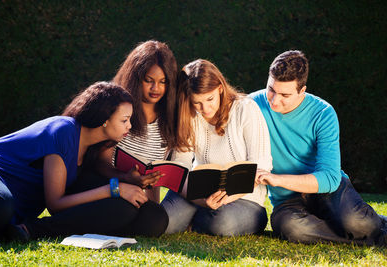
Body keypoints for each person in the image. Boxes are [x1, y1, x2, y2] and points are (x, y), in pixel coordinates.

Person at [0, 81, 168, 241]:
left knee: (152, 217)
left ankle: (17, 230)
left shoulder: (95, 146)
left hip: (17, 204)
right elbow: (55, 204)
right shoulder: (63, 132)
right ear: (104, 120)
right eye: (125, 120)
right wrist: (114, 189)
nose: (129, 125)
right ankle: (30, 230)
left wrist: (128, 180)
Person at [250, 50, 386, 246]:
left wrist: (277, 179)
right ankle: (373, 237)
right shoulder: (251, 105)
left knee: (358, 223)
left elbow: (330, 179)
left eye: (285, 94)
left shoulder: (323, 112)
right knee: (293, 229)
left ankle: (371, 227)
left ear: (302, 90)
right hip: (288, 203)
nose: (274, 100)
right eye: (271, 89)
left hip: (327, 192)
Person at [161, 59, 273, 236]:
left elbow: (261, 166)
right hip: (198, 194)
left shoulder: (245, 109)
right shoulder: (188, 116)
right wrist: (201, 201)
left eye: (210, 99)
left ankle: (197, 220)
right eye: (197, 102)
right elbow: (180, 168)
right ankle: (200, 216)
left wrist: (226, 197)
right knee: (164, 223)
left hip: (244, 199)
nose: (205, 108)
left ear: (220, 88)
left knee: (222, 224)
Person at [96, 40, 178, 203]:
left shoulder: (168, 117)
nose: (156, 88)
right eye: (149, 80)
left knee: (157, 220)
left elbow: (155, 178)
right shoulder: (120, 108)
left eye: (163, 82)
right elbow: (100, 163)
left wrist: (154, 206)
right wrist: (126, 177)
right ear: (136, 78)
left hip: (140, 194)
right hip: (111, 187)